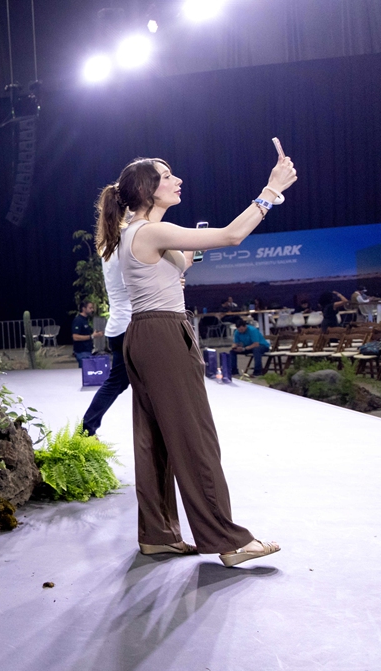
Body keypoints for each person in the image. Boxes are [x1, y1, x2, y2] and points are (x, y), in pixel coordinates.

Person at [94, 140, 295, 567]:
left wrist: (188, 255)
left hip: (145, 335)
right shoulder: (149, 231)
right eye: (167, 176)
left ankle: (158, 534)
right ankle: (227, 539)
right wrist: (271, 192)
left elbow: (181, 264)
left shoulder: (139, 232)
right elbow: (231, 235)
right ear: (148, 190)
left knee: (156, 441)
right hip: (163, 336)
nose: (178, 180)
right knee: (194, 437)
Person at [81, 230, 133, 437]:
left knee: (117, 382)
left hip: (119, 326)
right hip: (133, 326)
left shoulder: (107, 247)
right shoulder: (130, 243)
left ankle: (87, 429)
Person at [71, 301, 102, 367]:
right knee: (85, 372)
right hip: (82, 352)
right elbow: (75, 337)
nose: (92, 310)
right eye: (90, 308)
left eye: (92, 308)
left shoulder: (86, 320)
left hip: (87, 351)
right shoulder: (78, 320)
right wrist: (91, 336)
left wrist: (96, 334)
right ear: (84, 308)